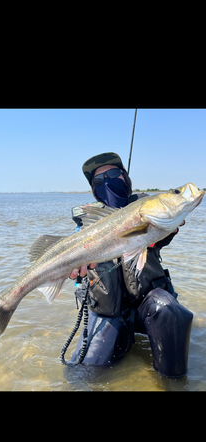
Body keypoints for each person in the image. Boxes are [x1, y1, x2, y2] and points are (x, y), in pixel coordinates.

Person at [69, 152, 193, 378]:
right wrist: (77, 276)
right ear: (93, 189)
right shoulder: (87, 225)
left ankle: (174, 382)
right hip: (109, 312)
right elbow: (77, 275)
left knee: (170, 311)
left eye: (114, 173)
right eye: (98, 180)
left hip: (148, 305)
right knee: (83, 374)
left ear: (125, 177)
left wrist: (170, 226)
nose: (107, 181)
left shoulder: (146, 208)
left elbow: (160, 237)